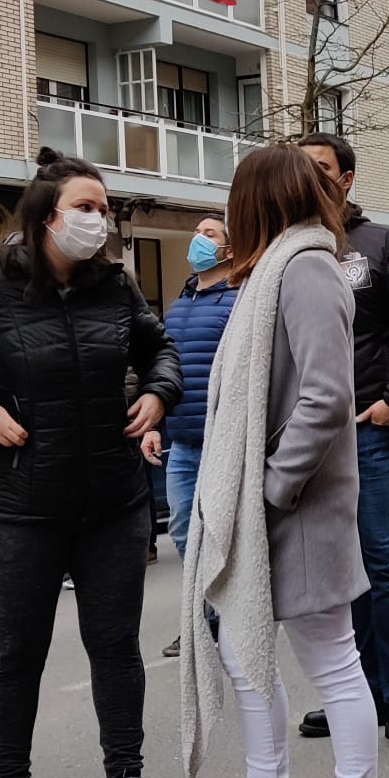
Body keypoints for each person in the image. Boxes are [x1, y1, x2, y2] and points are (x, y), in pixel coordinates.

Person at [0, 150, 182, 778]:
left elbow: (161, 350)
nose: (100, 221)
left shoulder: (115, 287)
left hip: (113, 504)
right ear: (44, 218)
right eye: (86, 208)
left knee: (115, 650)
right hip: (19, 510)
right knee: (15, 657)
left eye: (104, 209)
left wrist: (159, 393)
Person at [179, 143, 388, 778]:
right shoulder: (276, 268)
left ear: (256, 203)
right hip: (269, 509)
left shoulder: (303, 269)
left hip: (296, 509)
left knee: (331, 663)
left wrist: (269, 488)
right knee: (245, 655)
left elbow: (327, 396)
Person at [293, 134, 389, 750]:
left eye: (320, 168)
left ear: (346, 178)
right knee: (338, 574)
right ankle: (355, 693)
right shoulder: (287, 248)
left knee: (387, 567)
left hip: (372, 435)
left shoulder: (388, 246)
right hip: (310, 442)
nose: (308, 177)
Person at [155, 216, 235, 658]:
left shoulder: (238, 298)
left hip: (222, 441)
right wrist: (155, 425)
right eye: (197, 232)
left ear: (228, 250)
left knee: (222, 537)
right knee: (184, 530)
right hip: (183, 441)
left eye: (209, 235)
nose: (197, 240)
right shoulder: (181, 302)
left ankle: (225, 620)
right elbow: (164, 370)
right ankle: (205, 618)